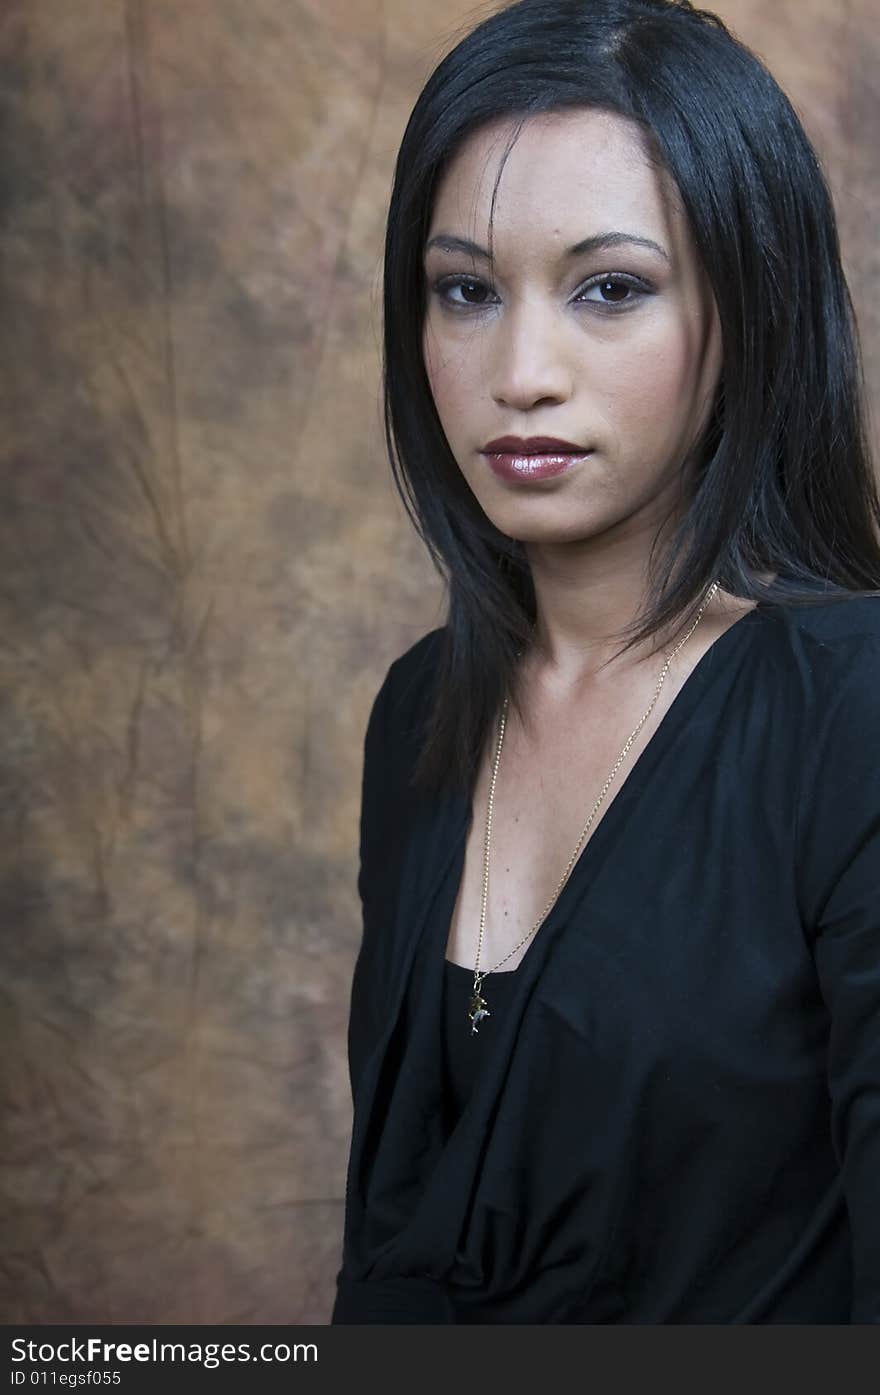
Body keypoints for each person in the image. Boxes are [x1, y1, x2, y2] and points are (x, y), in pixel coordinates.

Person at [331, 0, 880, 1324]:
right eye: (466, 290)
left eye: (611, 289)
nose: (521, 371)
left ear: (748, 307)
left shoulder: (850, 704)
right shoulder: (421, 707)